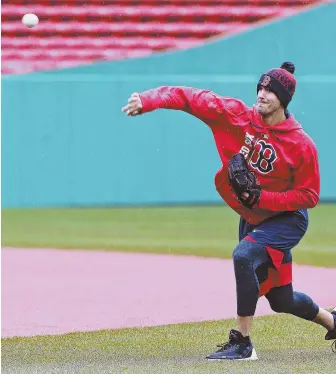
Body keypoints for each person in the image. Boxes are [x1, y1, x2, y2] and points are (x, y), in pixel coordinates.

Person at [121, 62, 336, 360]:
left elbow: (309, 195)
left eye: (270, 91)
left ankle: (242, 342)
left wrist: (263, 197)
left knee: (243, 255)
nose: (262, 94)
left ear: (284, 100)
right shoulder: (235, 114)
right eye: (260, 87)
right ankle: (333, 321)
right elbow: (187, 97)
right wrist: (149, 100)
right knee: (281, 299)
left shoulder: (301, 144)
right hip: (254, 217)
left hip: (288, 220)